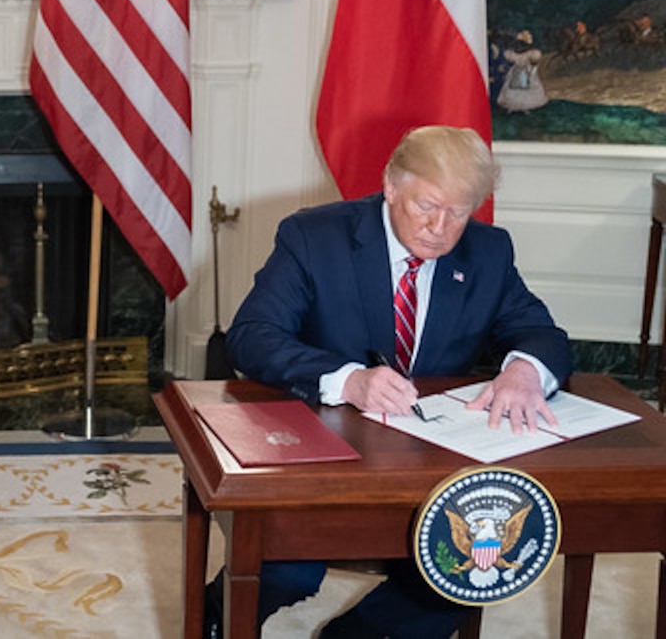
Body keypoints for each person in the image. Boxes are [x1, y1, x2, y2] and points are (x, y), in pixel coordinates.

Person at [205, 125, 571, 639]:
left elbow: (542, 333)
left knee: (470, 571)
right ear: (392, 186)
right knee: (287, 566)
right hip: (319, 448)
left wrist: (524, 371)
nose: (440, 228)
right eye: (427, 205)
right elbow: (252, 336)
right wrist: (348, 380)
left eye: (459, 213)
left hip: (429, 461)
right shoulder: (315, 237)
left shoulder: (487, 253)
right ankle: (214, 620)